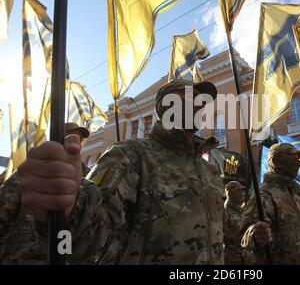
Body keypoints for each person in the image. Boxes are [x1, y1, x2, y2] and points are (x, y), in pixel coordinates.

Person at [18, 79, 226, 264]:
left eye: (203, 100)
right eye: (191, 95)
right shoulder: (129, 156)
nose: (200, 103)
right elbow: (90, 243)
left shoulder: (209, 169)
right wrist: (72, 211)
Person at [0, 122, 91, 264]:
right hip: (22, 257)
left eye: (79, 139)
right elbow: (3, 213)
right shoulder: (30, 173)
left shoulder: (88, 178)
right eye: (68, 136)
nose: (75, 142)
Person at [240, 143, 300, 264]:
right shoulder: (264, 194)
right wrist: (255, 235)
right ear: (276, 159)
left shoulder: (295, 195)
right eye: (293, 156)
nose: (298, 162)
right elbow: (244, 236)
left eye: (299, 158)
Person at [223, 181, 244, 265]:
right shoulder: (225, 211)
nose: (241, 193)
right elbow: (221, 234)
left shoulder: (241, 210)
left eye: (241, 190)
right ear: (230, 193)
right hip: (231, 258)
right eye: (238, 190)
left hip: (243, 256)